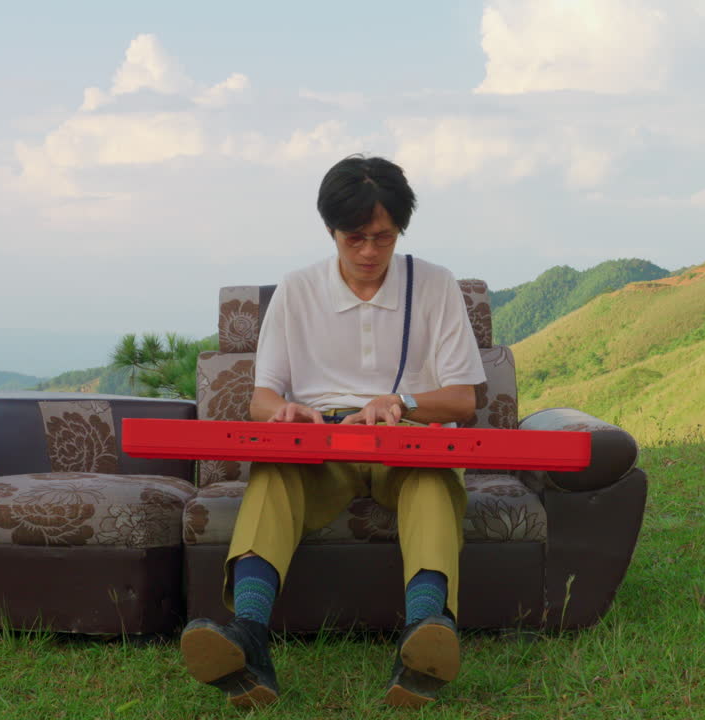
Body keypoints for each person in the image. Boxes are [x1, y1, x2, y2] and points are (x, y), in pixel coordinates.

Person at [179, 155, 486, 709]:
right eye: (354, 238)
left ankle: (425, 636)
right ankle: (248, 636)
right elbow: (261, 400)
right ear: (331, 231)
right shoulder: (297, 290)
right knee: (274, 472)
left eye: (383, 237)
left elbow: (464, 399)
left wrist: (403, 401)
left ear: (400, 231)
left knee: (433, 477)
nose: (369, 252)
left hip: (405, 436)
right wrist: (284, 413)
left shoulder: (435, 285)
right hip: (324, 441)